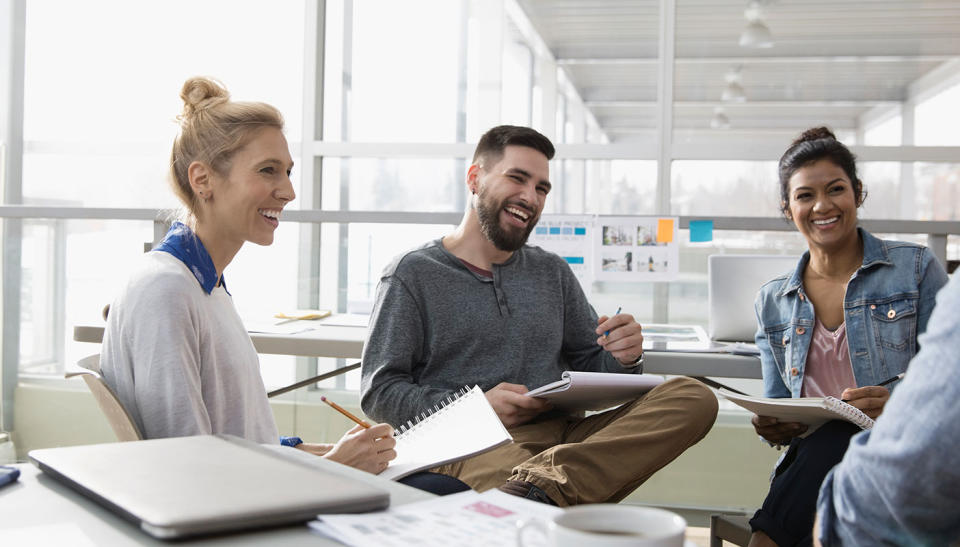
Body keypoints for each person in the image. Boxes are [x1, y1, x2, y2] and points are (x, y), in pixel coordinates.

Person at [360, 125, 718, 507]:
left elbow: (592, 364)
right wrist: (476, 407)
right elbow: (379, 393)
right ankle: (545, 489)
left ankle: (540, 489)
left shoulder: (552, 272)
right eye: (518, 178)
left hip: (565, 437)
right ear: (475, 178)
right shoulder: (412, 273)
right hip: (470, 445)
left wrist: (624, 357)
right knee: (535, 474)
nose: (530, 197)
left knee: (694, 397)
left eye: (542, 188)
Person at [100, 76, 396, 474]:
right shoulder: (167, 289)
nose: (288, 191)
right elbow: (191, 470)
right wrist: (335, 468)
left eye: (288, 172)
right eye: (268, 171)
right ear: (202, 179)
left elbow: (236, 441)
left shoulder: (206, 284)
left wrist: (312, 452)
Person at [748, 127, 949, 546]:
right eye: (805, 196)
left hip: (897, 456)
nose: (822, 206)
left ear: (858, 193)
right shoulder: (772, 301)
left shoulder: (915, 269)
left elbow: (951, 375)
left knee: (846, 434)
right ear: (788, 208)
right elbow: (779, 408)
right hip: (810, 467)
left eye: (835, 189)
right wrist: (772, 425)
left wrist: (893, 405)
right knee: (830, 438)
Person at [815, 273, 960, 546]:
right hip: (827, 458)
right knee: (822, 441)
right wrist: (775, 425)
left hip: (870, 458)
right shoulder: (774, 295)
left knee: (830, 441)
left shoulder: (915, 267)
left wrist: (894, 412)